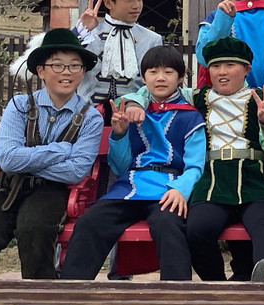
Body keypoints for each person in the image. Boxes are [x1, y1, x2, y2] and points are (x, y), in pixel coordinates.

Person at [0, 29, 103, 279]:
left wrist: (24, 159)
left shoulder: (91, 118)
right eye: (57, 65)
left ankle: (41, 298)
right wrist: (61, 150)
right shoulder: (19, 105)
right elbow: (8, 160)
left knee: (35, 231)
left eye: (74, 66)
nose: (66, 72)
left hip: (52, 189)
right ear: (41, 71)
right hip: (6, 186)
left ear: (82, 72)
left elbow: (76, 170)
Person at [58, 45, 206, 281]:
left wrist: (181, 189)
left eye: (168, 72)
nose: (160, 78)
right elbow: (120, 166)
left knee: (169, 226)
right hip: (129, 187)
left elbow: (196, 165)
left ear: (180, 78)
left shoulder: (191, 116)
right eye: (153, 72)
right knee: (90, 222)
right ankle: (72, 292)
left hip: (169, 189)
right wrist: (119, 134)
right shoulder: (131, 111)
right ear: (143, 78)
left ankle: (177, 296)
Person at [178, 38, 264, 282]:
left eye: (230, 65)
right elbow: (156, 90)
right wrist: (135, 101)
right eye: (215, 66)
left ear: (246, 69)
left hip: (257, 178)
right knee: (197, 228)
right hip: (213, 181)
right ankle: (217, 287)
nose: (221, 72)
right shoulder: (195, 97)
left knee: (263, 222)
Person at [75, 0, 165, 109]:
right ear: (108, 3)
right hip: (87, 115)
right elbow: (59, 59)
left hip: (134, 115)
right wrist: (80, 31)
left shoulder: (152, 39)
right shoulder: (88, 33)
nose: (136, 5)